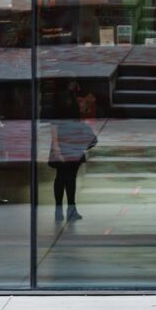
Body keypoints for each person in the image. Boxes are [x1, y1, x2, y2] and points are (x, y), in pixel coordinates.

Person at [48, 83, 97, 223]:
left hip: (73, 139)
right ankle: (60, 209)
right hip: (64, 140)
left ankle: (70, 208)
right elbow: (54, 124)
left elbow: (77, 116)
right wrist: (56, 146)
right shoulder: (60, 99)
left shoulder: (73, 96)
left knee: (70, 176)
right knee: (63, 176)